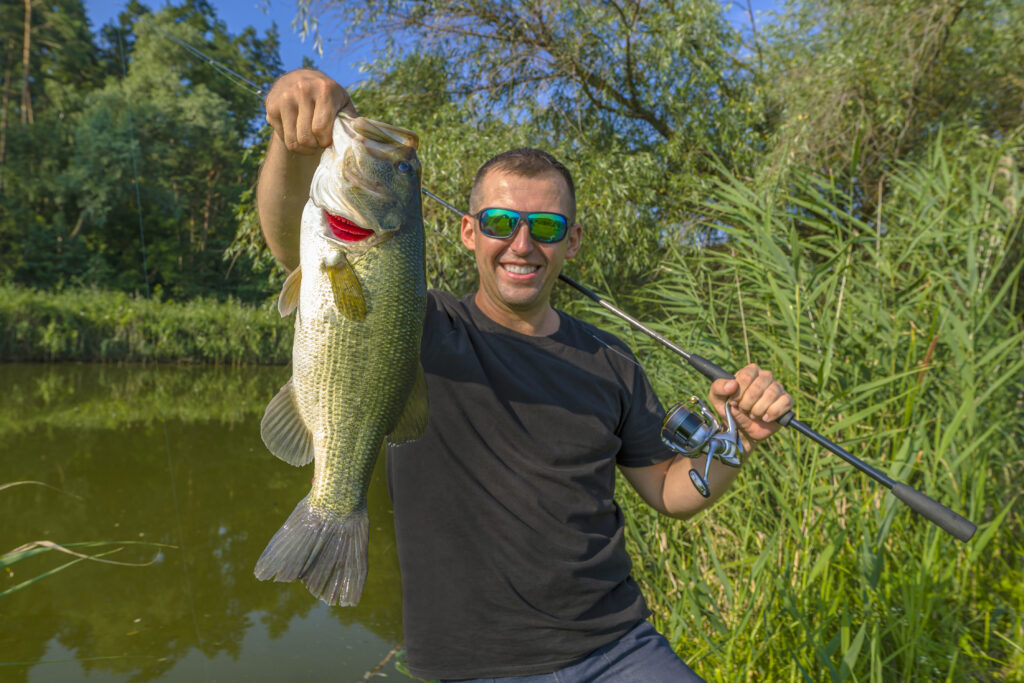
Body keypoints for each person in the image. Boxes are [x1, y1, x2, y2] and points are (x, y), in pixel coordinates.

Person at [258, 69, 793, 683]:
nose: (521, 244)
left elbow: (670, 492)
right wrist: (290, 134)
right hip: (475, 665)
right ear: (468, 232)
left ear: (572, 242)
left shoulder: (611, 360)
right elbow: (291, 243)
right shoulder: (420, 325)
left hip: (620, 645)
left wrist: (735, 437)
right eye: (498, 222)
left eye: (546, 227)